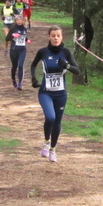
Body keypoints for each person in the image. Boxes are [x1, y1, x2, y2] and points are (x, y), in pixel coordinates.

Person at [30, 26, 80, 163]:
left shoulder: (66, 52)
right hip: (45, 92)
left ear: (62, 37)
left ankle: (52, 149)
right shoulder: (43, 52)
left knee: (57, 121)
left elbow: (77, 71)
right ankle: (46, 141)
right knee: (50, 117)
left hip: (61, 94)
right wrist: (34, 79)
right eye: (53, 35)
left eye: (58, 35)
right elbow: (33, 65)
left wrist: (67, 66)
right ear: (49, 37)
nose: (56, 38)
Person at [6, 15, 30, 90]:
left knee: (20, 65)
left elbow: (24, 37)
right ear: (15, 21)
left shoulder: (24, 29)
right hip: (14, 50)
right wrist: (13, 36)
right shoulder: (13, 28)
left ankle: (20, 83)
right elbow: (7, 38)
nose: (19, 21)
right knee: (14, 66)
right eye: (17, 20)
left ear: (22, 20)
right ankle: (13, 79)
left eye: (20, 20)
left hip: (22, 50)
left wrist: (27, 40)